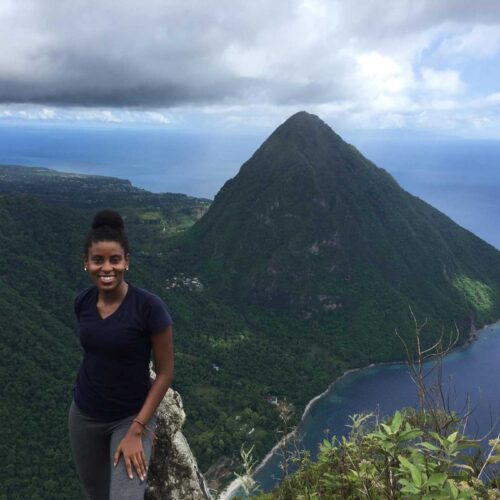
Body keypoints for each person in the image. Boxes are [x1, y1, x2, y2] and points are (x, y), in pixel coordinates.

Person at [68, 209, 174, 500]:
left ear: (127, 261)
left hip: (131, 416)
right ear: (86, 262)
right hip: (84, 414)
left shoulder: (149, 308)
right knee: (96, 494)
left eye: (115, 259)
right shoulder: (82, 302)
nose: (107, 268)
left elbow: (165, 373)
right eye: (98, 260)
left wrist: (137, 428)